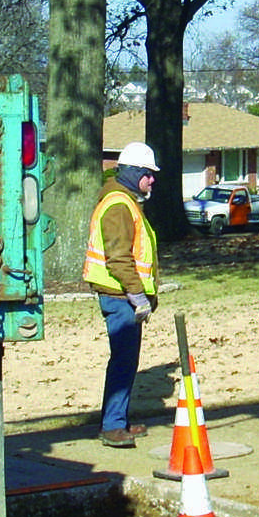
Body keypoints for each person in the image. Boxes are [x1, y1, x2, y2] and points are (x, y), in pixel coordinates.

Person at [82, 141, 161, 447]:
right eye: (147, 173)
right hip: (120, 297)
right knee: (123, 361)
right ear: (132, 172)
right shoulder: (118, 205)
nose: (152, 179)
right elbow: (119, 258)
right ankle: (113, 426)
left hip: (121, 296)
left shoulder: (124, 201)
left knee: (126, 361)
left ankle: (118, 421)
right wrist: (138, 295)